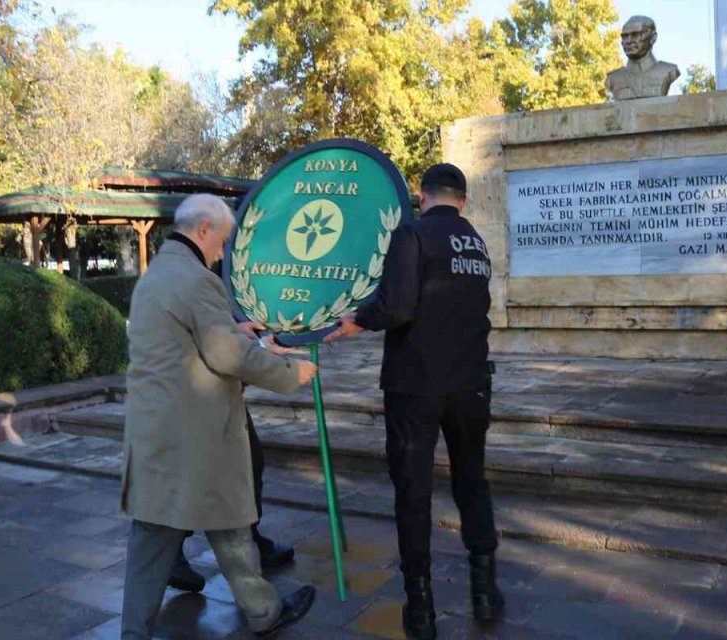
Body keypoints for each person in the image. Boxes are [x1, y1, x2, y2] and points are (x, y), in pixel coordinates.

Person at [120, 194, 318, 640]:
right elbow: (227, 356)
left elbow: (193, 342)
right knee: (222, 526)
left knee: (184, 534)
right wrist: (292, 372)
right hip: (197, 438)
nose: (221, 253)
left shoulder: (154, 278)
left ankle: (261, 611)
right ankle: (263, 613)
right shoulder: (197, 280)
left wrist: (241, 335)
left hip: (156, 434)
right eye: (222, 241)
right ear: (203, 229)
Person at [326, 163, 501, 639]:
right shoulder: (477, 244)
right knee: (472, 483)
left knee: (413, 493)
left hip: (415, 386)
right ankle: (485, 591)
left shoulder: (412, 236)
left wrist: (356, 321)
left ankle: (420, 608)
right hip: (470, 384)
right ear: (462, 200)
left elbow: (398, 307)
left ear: (421, 196)